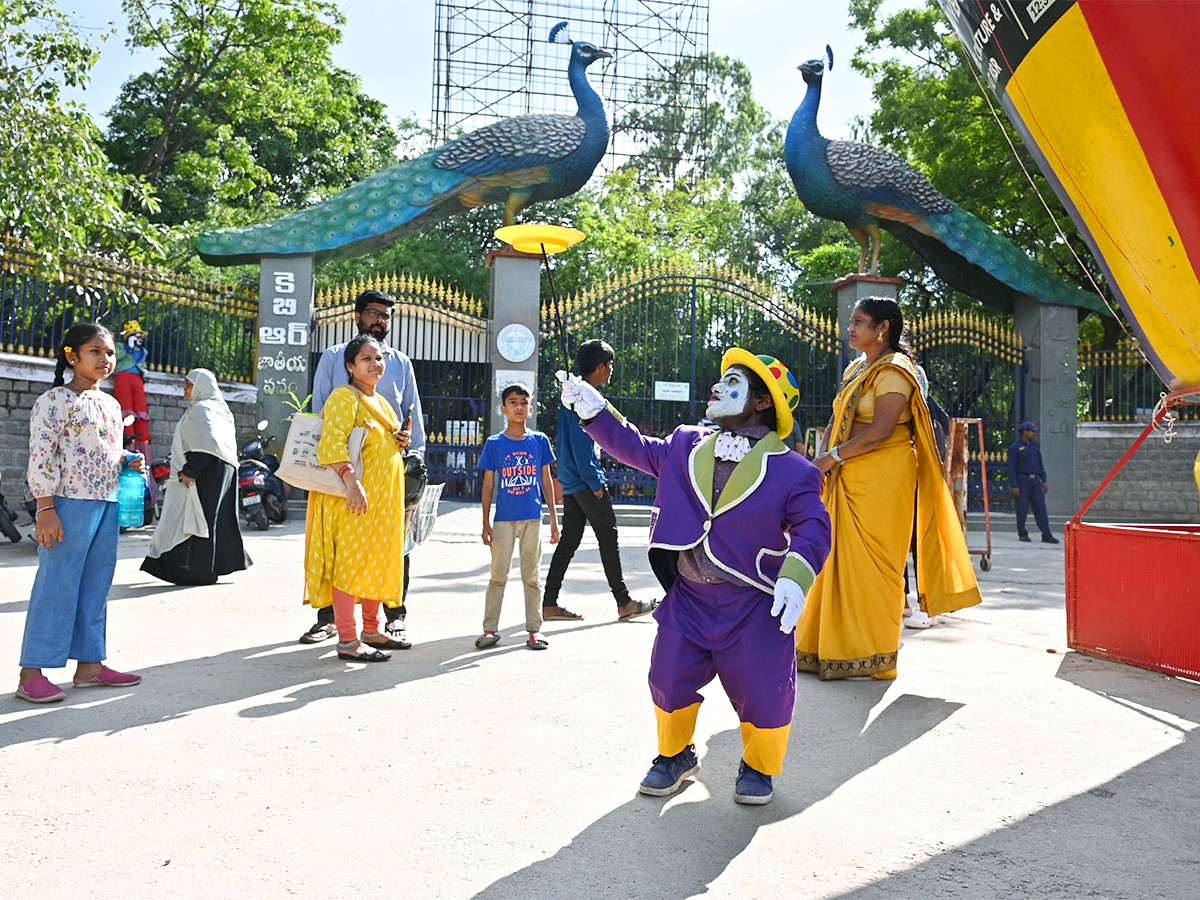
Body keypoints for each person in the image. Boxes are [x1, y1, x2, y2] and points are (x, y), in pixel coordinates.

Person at [562, 348, 830, 805]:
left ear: (762, 402)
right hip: (689, 594)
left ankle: (759, 766)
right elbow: (635, 446)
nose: (717, 387)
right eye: (722, 380)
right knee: (667, 677)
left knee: (765, 689)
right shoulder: (686, 443)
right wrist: (596, 412)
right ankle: (675, 756)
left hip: (752, 602)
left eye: (733, 384)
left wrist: (795, 576)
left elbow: (814, 528)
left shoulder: (794, 471)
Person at [796, 297, 981, 681]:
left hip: (883, 479)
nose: (850, 328)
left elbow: (882, 430)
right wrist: (822, 459)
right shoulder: (856, 368)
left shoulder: (895, 370)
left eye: (859, 322)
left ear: (883, 328)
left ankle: (870, 654)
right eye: (851, 321)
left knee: (875, 568)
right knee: (834, 560)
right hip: (846, 475)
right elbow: (837, 417)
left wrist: (832, 457)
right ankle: (826, 648)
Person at [16, 323, 145, 703]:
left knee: (96, 585)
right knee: (56, 585)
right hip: (67, 504)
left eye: (110, 353)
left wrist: (127, 459)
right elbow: (41, 457)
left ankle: (90, 666)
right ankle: (31, 672)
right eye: (95, 351)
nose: (105, 359)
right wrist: (45, 509)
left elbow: (100, 449)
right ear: (72, 357)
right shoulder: (54, 401)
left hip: (107, 502)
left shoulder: (110, 404)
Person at [300, 289, 423, 647]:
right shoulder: (339, 374)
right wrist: (350, 480)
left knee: (383, 557)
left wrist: (408, 448)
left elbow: (410, 414)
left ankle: (381, 624)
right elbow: (327, 430)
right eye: (373, 313)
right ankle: (339, 629)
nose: (380, 320)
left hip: (385, 495)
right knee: (348, 560)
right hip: (351, 489)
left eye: (386, 315)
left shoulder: (390, 381)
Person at [542, 339, 655, 623]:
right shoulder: (583, 398)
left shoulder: (574, 394)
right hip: (585, 481)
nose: (612, 370)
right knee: (608, 536)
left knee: (570, 541)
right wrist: (595, 483)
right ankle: (624, 601)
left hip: (572, 480)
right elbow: (582, 446)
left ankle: (549, 602)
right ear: (601, 366)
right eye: (610, 364)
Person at [141, 368, 251, 585]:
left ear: (201, 386)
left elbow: (207, 442)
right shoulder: (220, 409)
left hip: (205, 469)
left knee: (196, 520)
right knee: (212, 520)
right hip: (222, 469)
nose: (185, 388)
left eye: (189, 384)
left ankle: (197, 571)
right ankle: (212, 567)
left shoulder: (202, 408)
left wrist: (190, 471)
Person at [476, 383, 560, 650]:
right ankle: (490, 629)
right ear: (503, 408)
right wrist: (485, 522)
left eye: (524, 402)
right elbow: (488, 484)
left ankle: (534, 629)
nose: (519, 407)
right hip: (503, 520)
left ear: (531, 408)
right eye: (513, 402)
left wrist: (554, 520)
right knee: (498, 575)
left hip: (532, 518)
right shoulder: (494, 443)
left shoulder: (539, 441)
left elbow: (546, 481)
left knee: (531, 576)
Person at [1007, 421, 1059, 544]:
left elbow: (1040, 464)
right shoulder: (1015, 448)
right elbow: (1011, 468)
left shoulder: (1035, 446)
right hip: (1022, 480)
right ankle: (1022, 533)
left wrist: (1043, 479)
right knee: (1022, 508)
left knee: (1040, 507)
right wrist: (1014, 485)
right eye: (1032, 431)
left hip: (1035, 480)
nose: (1034, 433)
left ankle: (1046, 534)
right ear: (1025, 432)